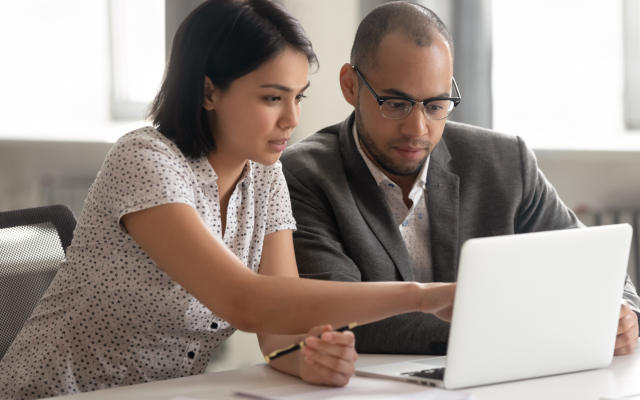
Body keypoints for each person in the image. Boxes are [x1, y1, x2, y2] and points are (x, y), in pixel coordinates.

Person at [0, 1, 458, 398]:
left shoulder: (265, 174)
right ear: (208, 91)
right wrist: (420, 297)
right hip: (54, 393)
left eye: (298, 97)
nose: (292, 119)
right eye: (272, 97)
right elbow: (245, 301)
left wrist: (306, 359)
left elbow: (277, 328)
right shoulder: (144, 161)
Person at [280, 1, 640, 356]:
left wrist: (623, 315)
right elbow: (337, 317)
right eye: (395, 103)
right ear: (350, 86)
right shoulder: (304, 176)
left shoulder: (505, 162)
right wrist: (542, 321)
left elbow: (596, 271)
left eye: (436, 106)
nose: (417, 129)